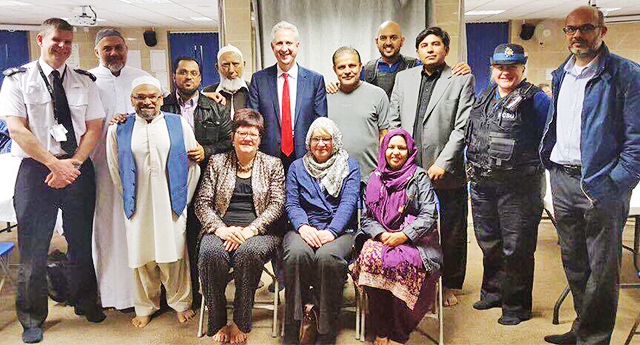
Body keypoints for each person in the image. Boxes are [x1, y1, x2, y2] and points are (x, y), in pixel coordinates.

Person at [0, 18, 106, 343]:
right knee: (33, 248)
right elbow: (17, 130)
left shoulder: (84, 80)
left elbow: (95, 127)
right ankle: (32, 318)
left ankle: (85, 302)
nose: (62, 47)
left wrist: (71, 164)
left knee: (81, 243)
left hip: (76, 166)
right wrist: (53, 165)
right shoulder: (18, 80)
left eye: (68, 42)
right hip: (35, 170)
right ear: (41, 39)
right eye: (56, 40)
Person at [540, 6, 640, 345]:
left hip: (601, 185)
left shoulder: (626, 74)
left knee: (602, 268)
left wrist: (617, 183)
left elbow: (636, 139)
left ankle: (595, 339)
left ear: (602, 31)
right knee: (574, 261)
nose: (576, 35)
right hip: (563, 180)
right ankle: (582, 328)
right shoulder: (561, 74)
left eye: (585, 28)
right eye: (570, 29)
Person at [389, 26, 475, 307]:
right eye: (424, 45)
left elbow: (462, 128)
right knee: (411, 226)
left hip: (445, 172)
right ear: (417, 51)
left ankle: (449, 284)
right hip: (409, 170)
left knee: (450, 229)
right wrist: (401, 158)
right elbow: (394, 120)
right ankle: (415, 279)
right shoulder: (403, 78)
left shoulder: (461, 79)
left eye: (436, 44)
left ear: (446, 50)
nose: (430, 49)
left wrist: (443, 162)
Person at [465, 44, 550, 326]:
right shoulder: (485, 94)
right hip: (483, 184)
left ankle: (516, 305)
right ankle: (493, 292)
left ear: (523, 68)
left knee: (517, 248)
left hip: (519, 188)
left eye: (512, 67)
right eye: (500, 67)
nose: (505, 72)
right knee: (489, 242)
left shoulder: (537, 100)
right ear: (492, 68)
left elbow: (550, 140)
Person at [106, 76, 199, 328]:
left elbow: (193, 164)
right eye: (140, 97)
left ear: (161, 99)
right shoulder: (119, 129)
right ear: (132, 100)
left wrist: (183, 199)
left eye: (152, 96)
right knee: (142, 256)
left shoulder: (178, 123)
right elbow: (115, 168)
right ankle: (145, 306)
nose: (146, 101)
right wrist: (130, 198)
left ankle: (181, 303)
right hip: (138, 204)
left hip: (172, 202)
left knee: (175, 255)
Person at [195, 109, 285, 344]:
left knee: (248, 252)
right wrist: (220, 229)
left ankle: (241, 321)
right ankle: (216, 320)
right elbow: (202, 203)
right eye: (242, 133)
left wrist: (250, 230)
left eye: (252, 134)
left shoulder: (273, 164)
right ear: (233, 137)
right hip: (222, 229)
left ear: (259, 139)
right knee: (211, 252)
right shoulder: (216, 162)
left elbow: (277, 205)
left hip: (260, 232)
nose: (247, 138)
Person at [352, 128, 441, 345]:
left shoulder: (419, 176)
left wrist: (404, 235)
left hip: (416, 241)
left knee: (401, 264)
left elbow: (429, 214)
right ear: (383, 150)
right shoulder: (374, 177)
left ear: (409, 151)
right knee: (371, 260)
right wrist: (382, 234)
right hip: (381, 237)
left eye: (401, 148)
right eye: (391, 147)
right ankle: (381, 328)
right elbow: (367, 218)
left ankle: (399, 332)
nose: (395, 152)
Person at [90, 28, 153, 311]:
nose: (114, 53)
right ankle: (109, 293)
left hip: (138, 169)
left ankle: (143, 293)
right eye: (107, 49)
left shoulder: (142, 80)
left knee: (139, 226)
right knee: (105, 229)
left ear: (126, 49)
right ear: (97, 52)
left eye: (118, 47)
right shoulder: (87, 81)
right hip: (100, 168)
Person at [162, 56, 233, 304]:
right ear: (174, 76)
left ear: (201, 78)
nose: (188, 77)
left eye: (193, 73)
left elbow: (228, 142)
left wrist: (206, 151)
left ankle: (198, 291)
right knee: (172, 238)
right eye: (183, 72)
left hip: (205, 180)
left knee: (195, 235)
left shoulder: (215, 107)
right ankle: (175, 293)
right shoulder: (162, 106)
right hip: (169, 180)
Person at [283, 118, 360, 344]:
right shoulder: (297, 167)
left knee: (328, 257)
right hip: (303, 227)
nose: (321, 144)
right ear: (309, 142)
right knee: (297, 254)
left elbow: (348, 202)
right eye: (316, 138)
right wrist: (303, 226)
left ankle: (326, 327)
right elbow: (292, 204)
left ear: (334, 141)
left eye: (326, 139)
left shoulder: (350, 165)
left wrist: (332, 231)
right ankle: (295, 325)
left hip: (340, 230)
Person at [248, 21, 327, 170]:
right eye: (279, 43)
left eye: (289, 43)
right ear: (272, 47)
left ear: (297, 45)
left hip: (306, 157)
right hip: (268, 157)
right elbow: (252, 120)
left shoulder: (315, 80)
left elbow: (320, 121)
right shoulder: (259, 80)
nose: (284, 49)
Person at [326, 21, 471, 98]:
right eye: (383, 38)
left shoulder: (417, 65)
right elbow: (352, 88)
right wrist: (335, 87)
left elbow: (438, 71)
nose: (388, 42)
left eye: (393, 38)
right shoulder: (367, 69)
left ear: (402, 41)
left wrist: (459, 69)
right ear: (377, 41)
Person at [328, 46, 389, 184]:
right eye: (342, 67)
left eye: (352, 66)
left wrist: (383, 170)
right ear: (334, 70)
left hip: (371, 177)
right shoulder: (325, 96)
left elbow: (384, 136)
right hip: (335, 178)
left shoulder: (378, 95)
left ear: (361, 67)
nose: (347, 71)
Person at [203, 45, 250, 119]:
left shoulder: (253, 91)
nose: (231, 70)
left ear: (244, 65)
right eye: (226, 65)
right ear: (217, 67)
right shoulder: (208, 92)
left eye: (235, 64)